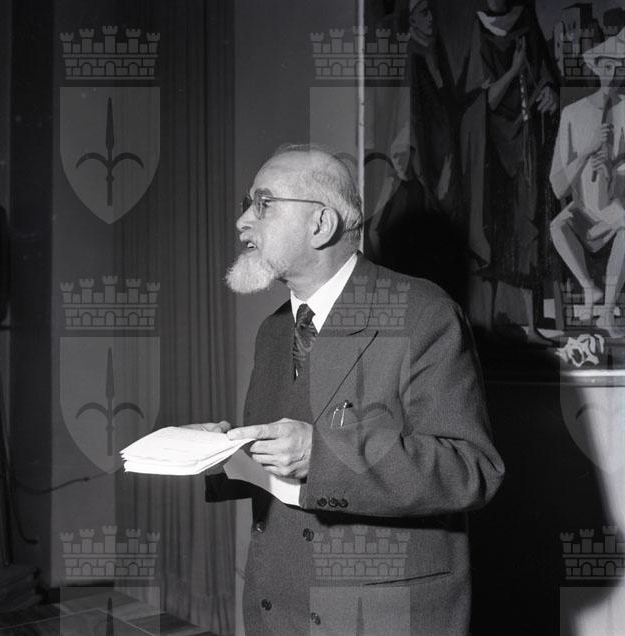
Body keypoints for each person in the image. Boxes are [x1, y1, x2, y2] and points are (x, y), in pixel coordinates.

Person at [202, 145, 504, 635]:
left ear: (321, 224)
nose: (242, 222)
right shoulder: (274, 332)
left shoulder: (423, 314)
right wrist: (222, 454)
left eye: (263, 204)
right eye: (246, 204)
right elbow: (281, 472)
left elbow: (470, 470)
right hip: (278, 613)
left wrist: (321, 456)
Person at [460, 0, 558, 343]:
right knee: (492, 231)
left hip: (525, 145)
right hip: (492, 150)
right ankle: (488, 324)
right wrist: (514, 70)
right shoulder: (475, 30)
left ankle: (530, 326)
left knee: (528, 226)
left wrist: (549, 90)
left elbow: (544, 74)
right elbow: (482, 100)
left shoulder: (526, 23)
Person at [368, 0, 467, 303]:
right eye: (424, 12)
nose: (432, 18)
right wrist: (420, 166)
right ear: (410, 20)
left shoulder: (432, 56)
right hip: (421, 167)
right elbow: (407, 118)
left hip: (435, 163)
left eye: (432, 11)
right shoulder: (412, 59)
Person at [549, 28, 625, 337]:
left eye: (620, 68)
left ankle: (607, 312)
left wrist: (613, 167)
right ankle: (588, 288)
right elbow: (558, 186)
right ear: (596, 68)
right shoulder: (573, 113)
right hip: (585, 210)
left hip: (615, 206)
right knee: (557, 226)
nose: (613, 75)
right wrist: (586, 150)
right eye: (607, 66)